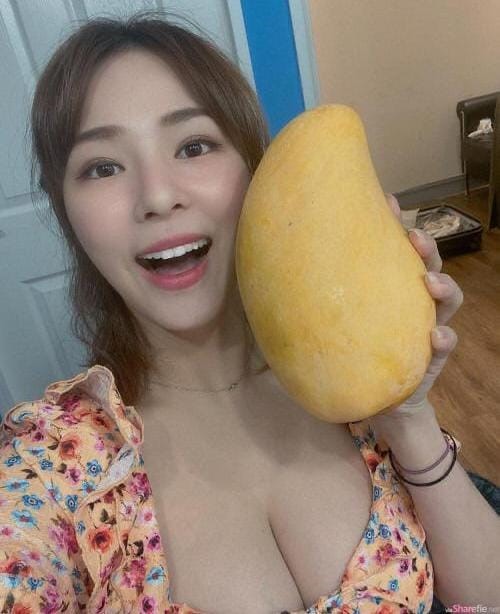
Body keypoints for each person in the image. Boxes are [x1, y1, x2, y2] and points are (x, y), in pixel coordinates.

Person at [0, 12, 498, 614]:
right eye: (103, 167)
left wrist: (409, 415)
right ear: (67, 212)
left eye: (194, 146)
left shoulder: (352, 378)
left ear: (257, 172)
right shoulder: (49, 466)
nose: (158, 196)